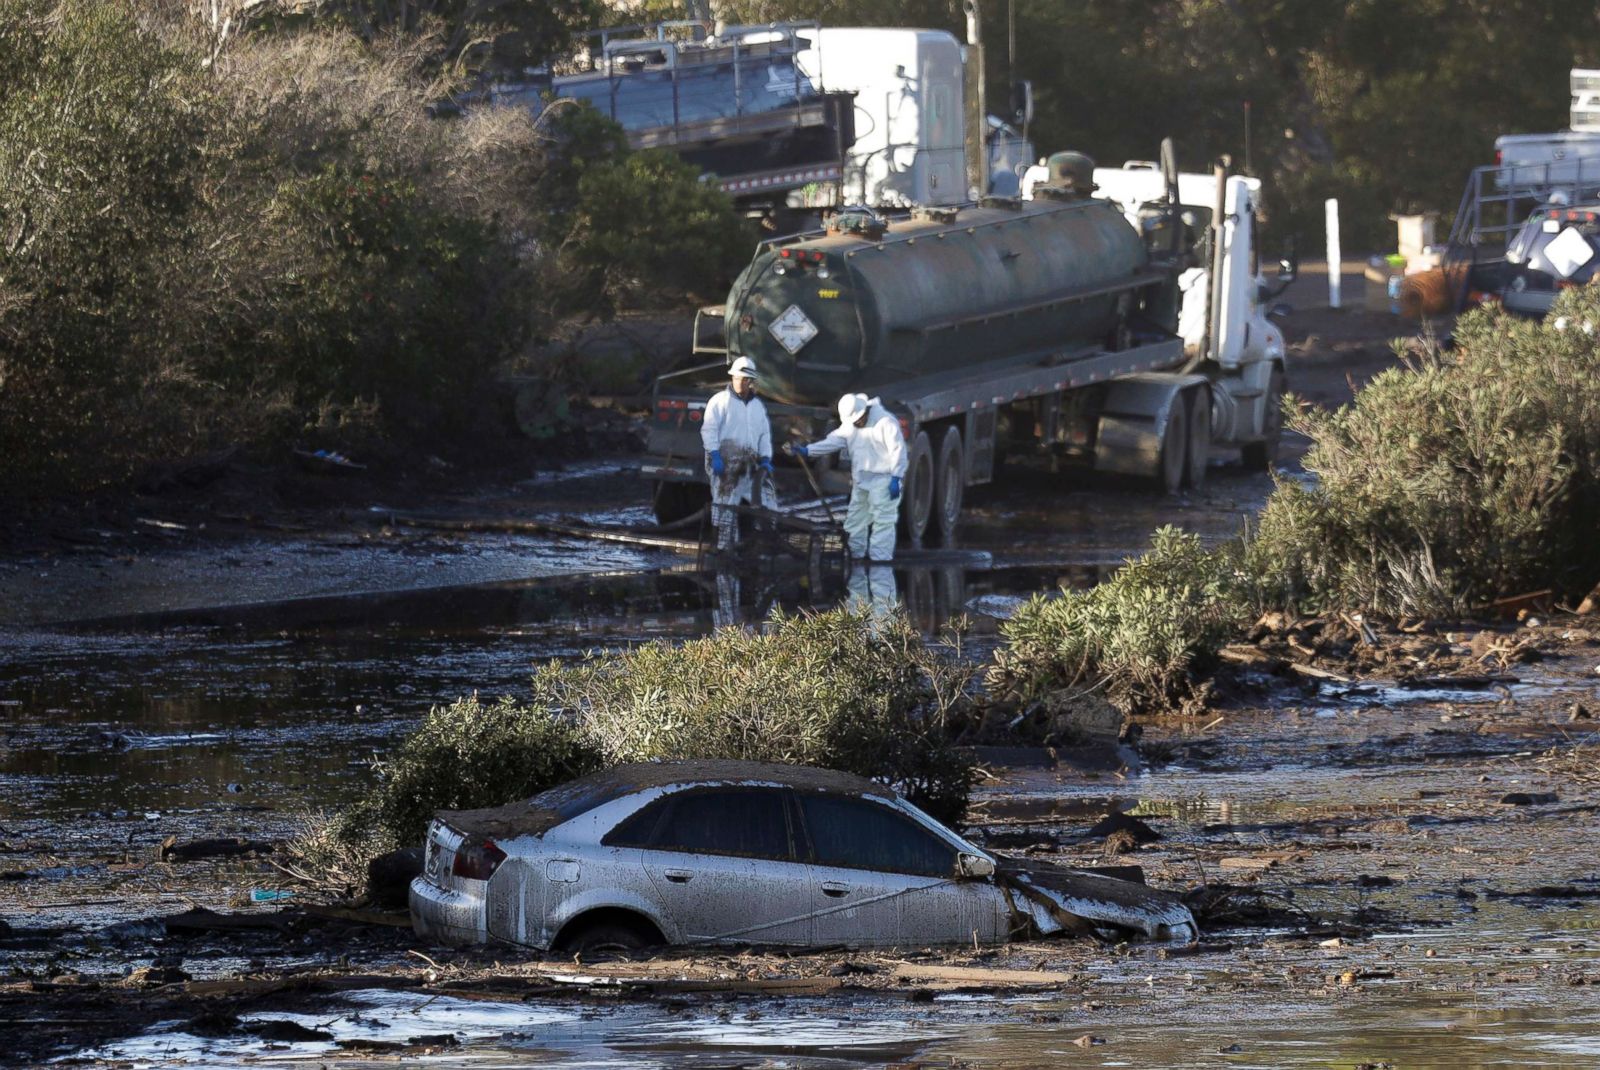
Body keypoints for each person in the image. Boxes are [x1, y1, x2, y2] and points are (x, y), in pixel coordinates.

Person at [786, 392, 906, 562]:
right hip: (862, 481)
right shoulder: (851, 426)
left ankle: (880, 562)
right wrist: (808, 450)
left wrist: (896, 477)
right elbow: (833, 441)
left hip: (883, 480)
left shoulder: (885, 423)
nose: (856, 423)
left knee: (883, 522)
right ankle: (855, 557)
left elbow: (898, 451)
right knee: (856, 521)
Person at [701, 356, 775, 551]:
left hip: (752, 463)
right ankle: (724, 549)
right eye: (737, 378)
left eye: (745, 379)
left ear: (751, 382)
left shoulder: (757, 406)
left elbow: (764, 434)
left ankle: (761, 546)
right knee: (726, 506)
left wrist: (766, 458)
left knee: (767, 503)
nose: (740, 383)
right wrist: (714, 454)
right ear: (732, 377)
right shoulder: (719, 402)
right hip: (725, 461)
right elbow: (708, 430)